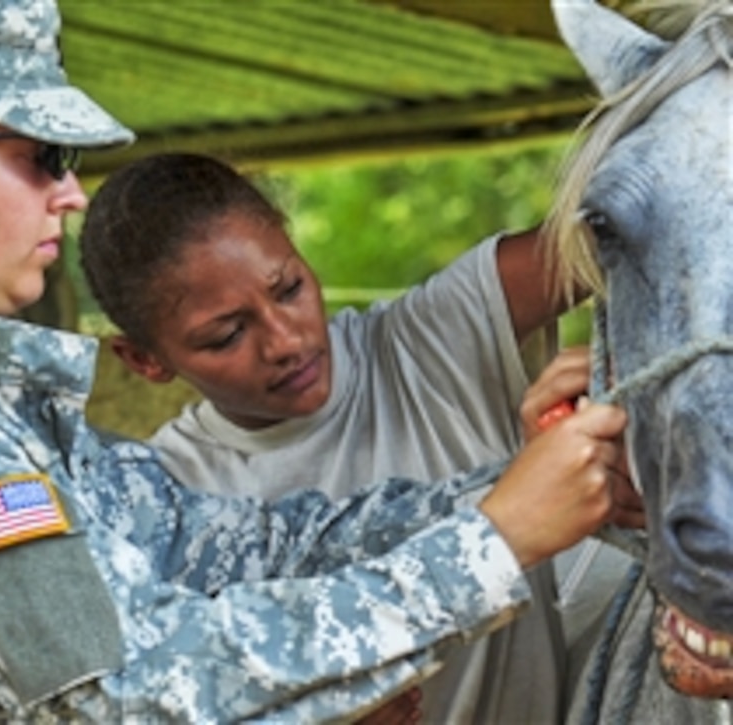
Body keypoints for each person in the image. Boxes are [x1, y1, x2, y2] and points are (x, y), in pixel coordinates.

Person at [0, 1, 629, 721]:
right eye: (40, 155)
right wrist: (495, 543)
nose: (69, 193)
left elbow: (235, 544)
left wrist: (515, 490)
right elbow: (132, 686)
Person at [79, 152, 644, 724]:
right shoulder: (169, 507)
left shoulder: (433, 338)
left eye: (290, 288)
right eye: (227, 335)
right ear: (145, 360)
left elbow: (651, 219)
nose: (286, 340)